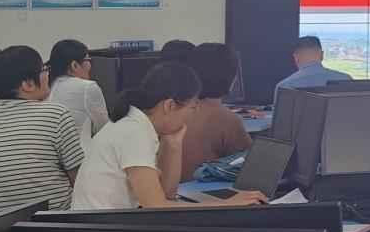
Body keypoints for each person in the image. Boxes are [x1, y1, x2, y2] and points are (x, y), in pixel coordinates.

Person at [72, 62, 265, 210]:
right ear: (170, 105)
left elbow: (167, 194)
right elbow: (156, 207)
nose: (193, 114)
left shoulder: (138, 124)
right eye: (193, 107)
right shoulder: (133, 132)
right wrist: (227, 204)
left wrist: (174, 144)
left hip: (107, 228)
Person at [0, 46, 83, 217]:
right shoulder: (56, 115)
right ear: (28, 84)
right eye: (44, 69)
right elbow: (79, 179)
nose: (48, 74)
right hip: (53, 226)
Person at [180, 43, 253, 181]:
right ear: (232, 78)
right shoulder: (226, 119)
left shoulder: (173, 111)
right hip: (200, 189)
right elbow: (252, 166)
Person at [47, 39, 110, 151]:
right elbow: (103, 129)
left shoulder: (49, 88)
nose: (90, 65)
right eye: (88, 60)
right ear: (74, 65)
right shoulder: (87, 87)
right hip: (81, 155)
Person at [274, 35, 352, 106]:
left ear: (295, 57)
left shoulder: (285, 86)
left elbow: (281, 116)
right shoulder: (346, 79)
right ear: (322, 55)